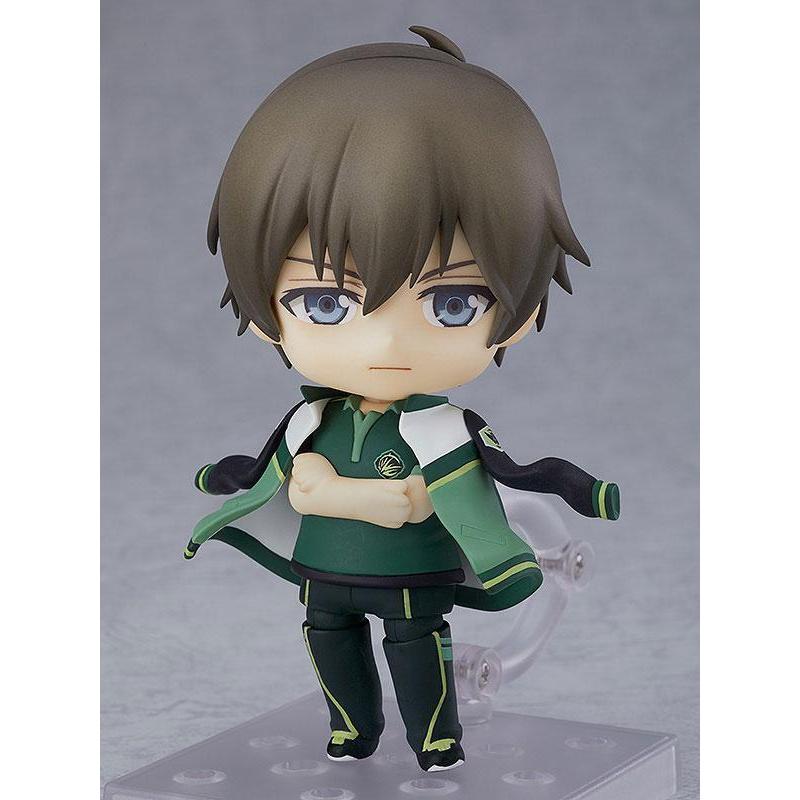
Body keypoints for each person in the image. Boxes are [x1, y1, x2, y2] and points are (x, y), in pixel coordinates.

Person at [185, 26, 619, 772]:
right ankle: (350, 730)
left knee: (416, 646)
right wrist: (248, 481)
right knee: (329, 639)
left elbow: (489, 480)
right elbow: (273, 471)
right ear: (261, 311)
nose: (385, 342)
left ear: (517, 312)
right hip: (326, 569)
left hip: (412, 577)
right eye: (326, 303)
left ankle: (437, 739)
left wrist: (584, 492)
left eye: (451, 303)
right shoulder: (313, 418)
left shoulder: (442, 428)